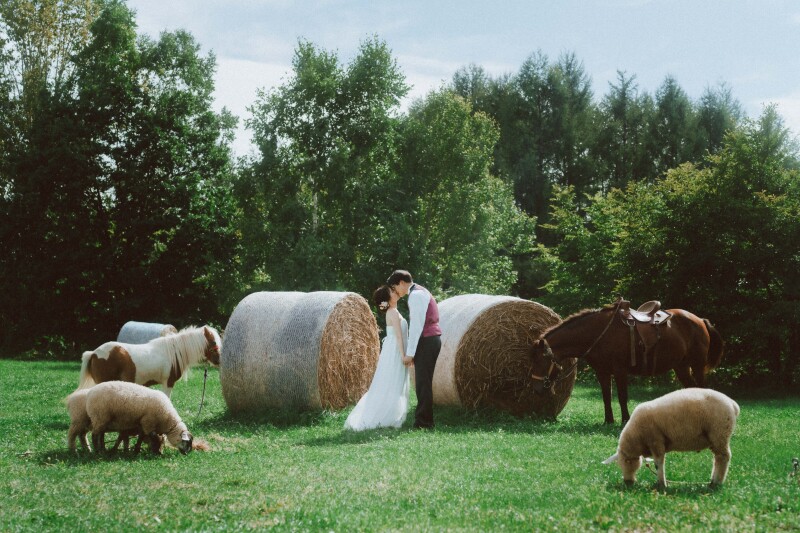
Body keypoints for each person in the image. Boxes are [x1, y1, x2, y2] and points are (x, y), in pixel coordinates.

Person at [344, 285, 410, 431]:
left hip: (393, 350)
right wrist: (404, 355)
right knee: (392, 382)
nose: (395, 292)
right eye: (392, 292)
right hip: (395, 351)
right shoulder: (392, 312)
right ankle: (385, 415)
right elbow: (399, 336)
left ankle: (391, 414)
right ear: (388, 298)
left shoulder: (393, 311)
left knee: (393, 382)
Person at [386, 269, 442, 429]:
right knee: (423, 382)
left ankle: (424, 422)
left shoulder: (416, 295)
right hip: (429, 339)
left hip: (426, 339)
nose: (396, 291)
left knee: (423, 383)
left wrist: (410, 354)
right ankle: (424, 420)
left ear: (402, 283)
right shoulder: (420, 291)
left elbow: (416, 326)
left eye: (395, 287)